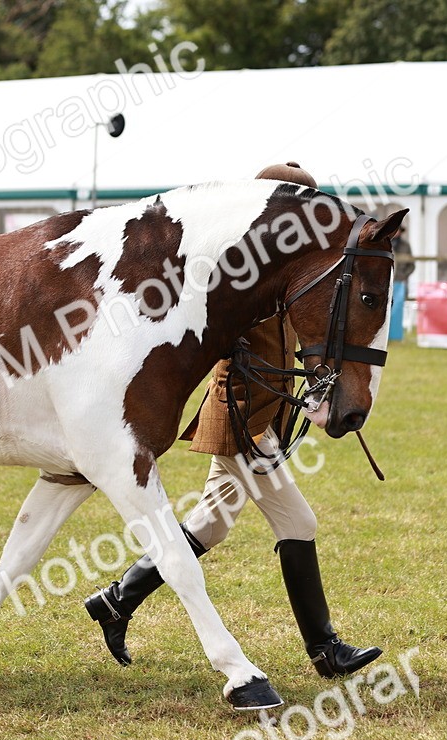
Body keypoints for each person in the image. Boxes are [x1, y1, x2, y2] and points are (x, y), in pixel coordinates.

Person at [84, 162, 383, 679]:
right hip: (244, 419)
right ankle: (325, 649)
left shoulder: (295, 268)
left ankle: (116, 600)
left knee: (211, 524)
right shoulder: (240, 265)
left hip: (262, 414)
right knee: (298, 523)